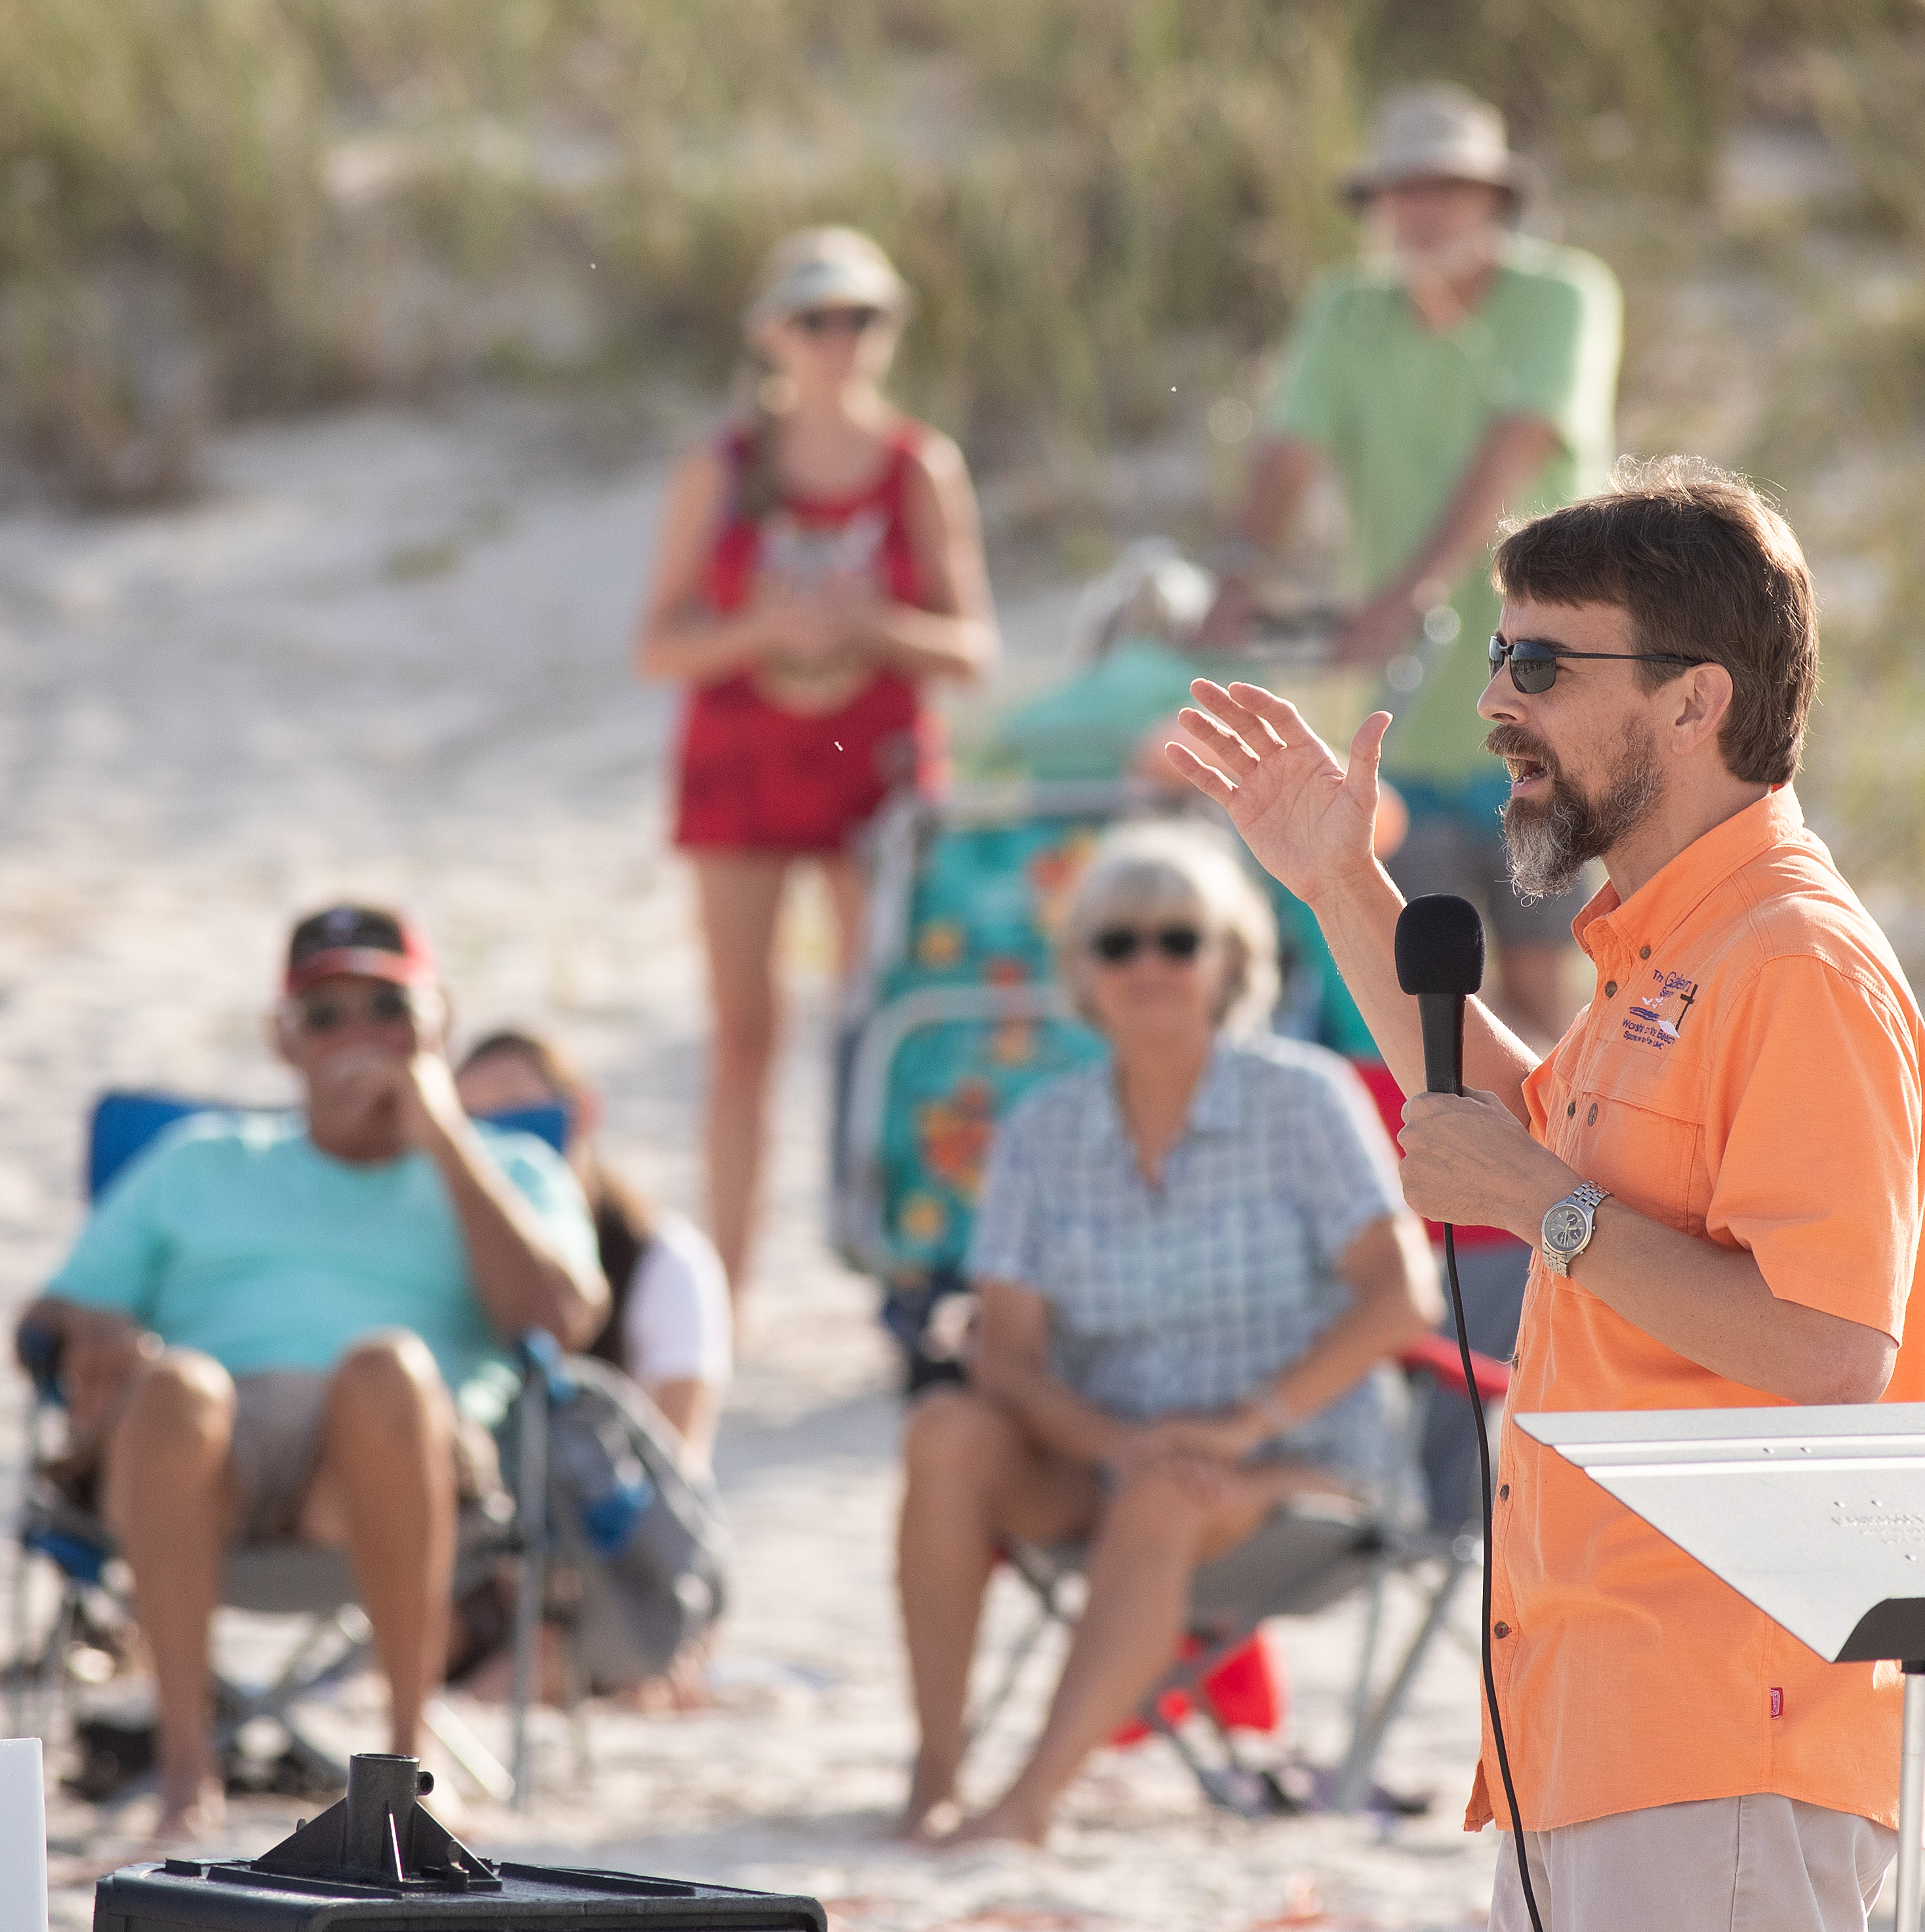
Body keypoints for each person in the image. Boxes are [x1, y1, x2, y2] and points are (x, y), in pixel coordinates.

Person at [1171, 456, 1925, 1930]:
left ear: (1693, 698)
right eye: (1496, 654)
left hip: (1725, 1726)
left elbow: (1830, 1347)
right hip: (1588, 1721)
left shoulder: (1794, 959)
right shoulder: (1667, 944)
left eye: (1538, 659)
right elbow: (1505, 1127)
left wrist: (1549, 1209)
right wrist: (1340, 883)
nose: (1495, 702)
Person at [893, 819, 1439, 1847]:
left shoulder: (1305, 1100)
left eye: (1178, 939)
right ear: (1083, 972)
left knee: (1163, 1489)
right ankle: (934, 1774)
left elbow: (1402, 1297)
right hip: (1100, 1461)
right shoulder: (1041, 1130)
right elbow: (1002, 1352)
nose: (1148, 964)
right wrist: (1116, 1442)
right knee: (944, 1433)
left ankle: (1026, 1804)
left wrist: (1238, 1427)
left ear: (1231, 959)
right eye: (1117, 942)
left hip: (1304, 1469)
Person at [16, 906, 603, 1840]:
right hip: (203, 1461)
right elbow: (44, 1318)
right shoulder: (202, 1159)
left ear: (438, 1023)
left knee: (384, 1370)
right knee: (177, 1388)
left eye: (387, 1007)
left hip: (394, 1469)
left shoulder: (509, 1166)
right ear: (282, 1037)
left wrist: (442, 1131)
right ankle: (183, 1771)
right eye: (324, 1014)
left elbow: (561, 1322)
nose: (357, 1035)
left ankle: (403, 1777)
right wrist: (92, 1326)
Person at [1199, 82, 1621, 1052]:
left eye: (1450, 186)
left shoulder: (1563, 293)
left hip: (1556, 693)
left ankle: (1556, 1193)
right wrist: (1232, 577)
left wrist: (1406, 591)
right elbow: (1286, 456)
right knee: (1433, 996)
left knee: (1545, 978)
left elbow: (1512, 451)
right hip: (1413, 714)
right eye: (1404, 189)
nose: (1424, 210)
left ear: (1494, 200)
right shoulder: (1346, 309)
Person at [636, 225, 998, 1303]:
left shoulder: (916, 466)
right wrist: (764, 630)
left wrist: (868, 622)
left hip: (872, 767)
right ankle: (728, 1294)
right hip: (742, 764)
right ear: (770, 337)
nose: (839, 341)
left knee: (886, 1028)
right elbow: (657, 645)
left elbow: (971, 645)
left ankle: (900, 1274)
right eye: (816, 320)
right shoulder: (722, 467)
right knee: (743, 1039)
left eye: (862, 319)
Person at [452, 1029, 733, 1466]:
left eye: (518, 1109)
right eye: (474, 1126)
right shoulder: (445, 1248)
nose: (502, 1141)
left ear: (583, 1110)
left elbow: (679, 1463)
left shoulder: (662, 1260)